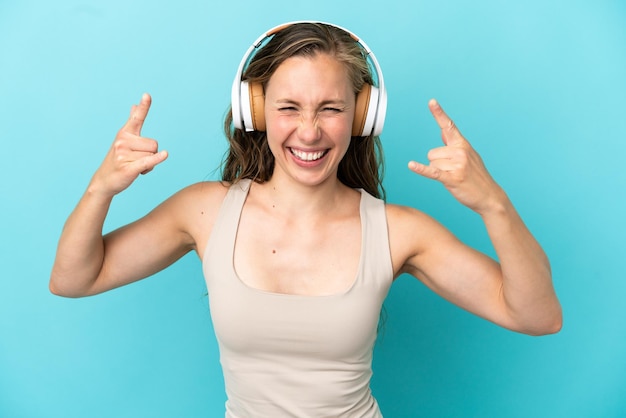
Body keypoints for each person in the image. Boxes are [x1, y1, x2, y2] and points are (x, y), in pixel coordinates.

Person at [50, 21, 562, 417]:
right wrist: (102, 187)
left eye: (331, 108)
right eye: (289, 107)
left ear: (363, 116)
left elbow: (537, 316)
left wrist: (493, 202)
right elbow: (74, 278)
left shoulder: (398, 231)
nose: (310, 132)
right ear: (256, 110)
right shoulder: (205, 210)